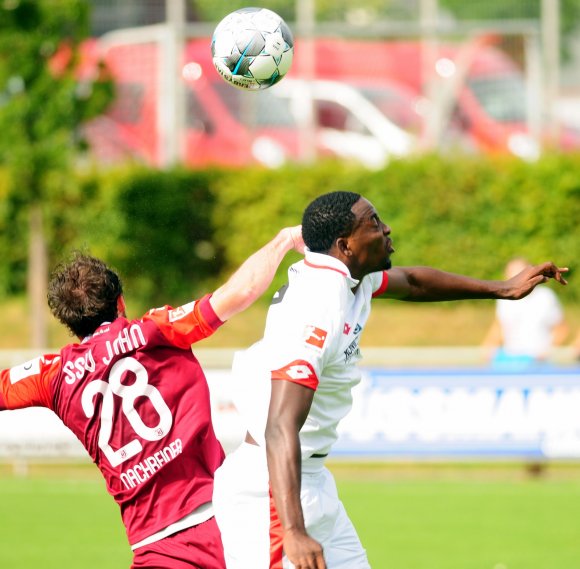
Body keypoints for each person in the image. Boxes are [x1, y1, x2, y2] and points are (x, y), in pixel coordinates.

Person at [212, 191, 568, 569]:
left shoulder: (350, 277)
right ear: (345, 245)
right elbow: (280, 426)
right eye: (373, 223)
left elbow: (414, 281)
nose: (386, 228)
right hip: (270, 497)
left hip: (310, 481)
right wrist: (294, 530)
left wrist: (503, 288)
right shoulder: (317, 305)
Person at [0, 225, 303, 569]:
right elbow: (242, 290)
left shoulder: (52, 376)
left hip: (156, 547)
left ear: (68, 322)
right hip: (229, 523)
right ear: (120, 302)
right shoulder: (157, 330)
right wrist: (286, 240)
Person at [482, 257, 569, 368]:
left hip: (540, 364)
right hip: (510, 363)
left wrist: (545, 352)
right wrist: (488, 349)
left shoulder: (545, 297)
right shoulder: (503, 299)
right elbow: (500, 327)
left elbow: (561, 329)